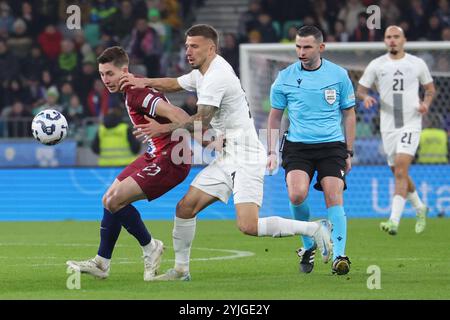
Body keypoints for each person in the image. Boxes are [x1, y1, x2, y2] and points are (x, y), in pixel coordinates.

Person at [119, 24, 333, 281]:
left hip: (246, 156)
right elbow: (176, 84)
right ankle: (181, 270)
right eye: (187, 46)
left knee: (248, 225)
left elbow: (201, 121)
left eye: (194, 46)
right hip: (228, 154)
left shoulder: (216, 77)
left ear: (211, 48)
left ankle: (315, 229)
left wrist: (162, 127)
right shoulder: (202, 71)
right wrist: (144, 81)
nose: (188, 51)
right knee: (185, 208)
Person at [66, 46, 192, 281]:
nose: (105, 80)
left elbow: (180, 116)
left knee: (115, 200)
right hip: (157, 153)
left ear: (124, 70)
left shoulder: (136, 93)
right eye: (102, 74)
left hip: (172, 159)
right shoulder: (134, 88)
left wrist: (206, 138)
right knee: (108, 200)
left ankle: (150, 247)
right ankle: (102, 263)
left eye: (110, 74)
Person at [267, 26, 356, 276]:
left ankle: (340, 255)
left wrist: (348, 151)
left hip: (332, 146)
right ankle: (308, 245)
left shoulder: (339, 75)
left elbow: (349, 114)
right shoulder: (284, 77)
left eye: (306, 47)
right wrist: (271, 152)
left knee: (333, 194)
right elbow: (274, 118)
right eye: (298, 46)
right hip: (298, 146)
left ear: (321, 48)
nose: (301, 52)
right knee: (296, 195)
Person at [356, 25, 436, 236]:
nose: (392, 40)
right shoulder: (377, 64)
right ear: (385, 41)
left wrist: (426, 104)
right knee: (398, 172)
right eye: (388, 37)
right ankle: (420, 207)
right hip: (388, 126)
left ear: (403, 40)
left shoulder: (416, 64)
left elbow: (430, 89)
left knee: (400, 170)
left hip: (411, 123)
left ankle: (393, 221)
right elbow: (361, 89)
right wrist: (366, 97)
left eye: (396, 37)